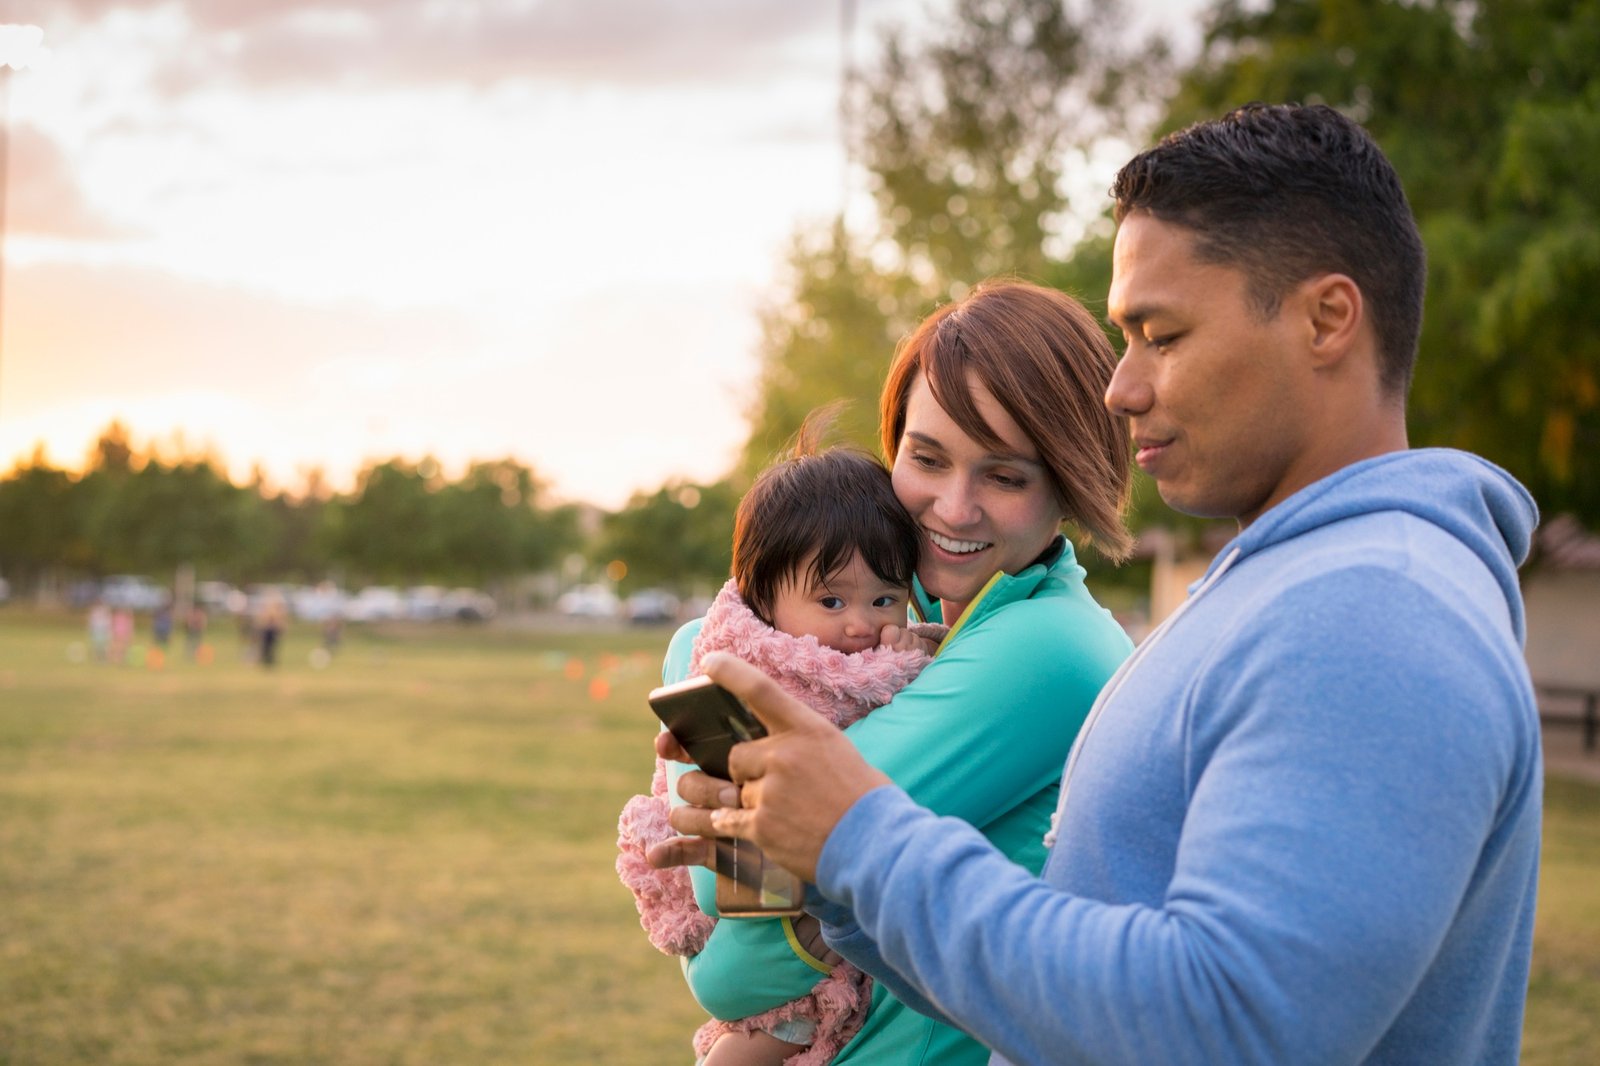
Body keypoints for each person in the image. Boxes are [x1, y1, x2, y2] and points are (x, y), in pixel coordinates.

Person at [656, 103, 1543, 1065]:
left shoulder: (1375, 613)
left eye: (1160, 335)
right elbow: (1058, 983)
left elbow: (1234, 1024)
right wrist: (843, 879)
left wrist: (859, 839)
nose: (1121, 390)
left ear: (1327, 320)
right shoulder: (1290, 587)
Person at [646, 279, 1136, 1064]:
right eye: (927, 457)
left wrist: (700, 661)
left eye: (1005, 476)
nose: (953, 506)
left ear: (1070, 482)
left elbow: (731, 943)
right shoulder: (916, 629)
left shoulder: (1049, 650)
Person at [619, 436, 937, 1064]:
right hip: (763, 917)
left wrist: (911, 659)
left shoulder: (894, 657)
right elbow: (728, 874)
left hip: (830, 931)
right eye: (831, 600)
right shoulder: (732, 669)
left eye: (883, 597)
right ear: (764, 599)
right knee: (752, 1047)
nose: (860, 623)